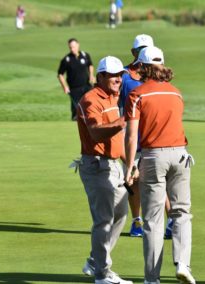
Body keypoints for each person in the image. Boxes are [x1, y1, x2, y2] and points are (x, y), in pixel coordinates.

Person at [124, 46, 196, 284]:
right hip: (181, 156)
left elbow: (132, 135)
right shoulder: (177, 93)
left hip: (154, 157)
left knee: (153, 219)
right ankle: (183, 264)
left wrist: (130, 165)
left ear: (142, 67)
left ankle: (152, 279)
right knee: (181, 213)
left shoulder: (137, 95)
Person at [77, 56, 132, 284]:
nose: (118, 79)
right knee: (103, 220)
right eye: (112, 75)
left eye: (120, 75)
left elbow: (117, 139)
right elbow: (96, 132)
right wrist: (122, 121)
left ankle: (94, 259)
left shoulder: (112, 96)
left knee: (120, 211)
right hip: (97, 166)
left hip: (113, 165)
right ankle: (102, 274)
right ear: (100, 77)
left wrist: (130, 164)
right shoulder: (91, 100)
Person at [120, 34, 174, 239]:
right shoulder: (124, 75)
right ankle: (137, 221)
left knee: (162, 179)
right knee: (133, 180)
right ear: (134, 53)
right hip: (132, 134)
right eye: (140, 49)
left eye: (147, 48)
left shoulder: (158, 74)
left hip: (155, 136)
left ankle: (170, 223)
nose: (143, 52)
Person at [57, 38, 94, 120]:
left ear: (78, 45)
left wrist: (91, 75)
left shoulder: (85, 55)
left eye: (73, 47)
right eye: (70, 47)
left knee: (90, 107)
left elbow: (90, 65)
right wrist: (65, 86)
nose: (72, 49)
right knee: (76, 111)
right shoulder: (66, 60)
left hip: (87, 86)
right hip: (74, 89)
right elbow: (60, 74)